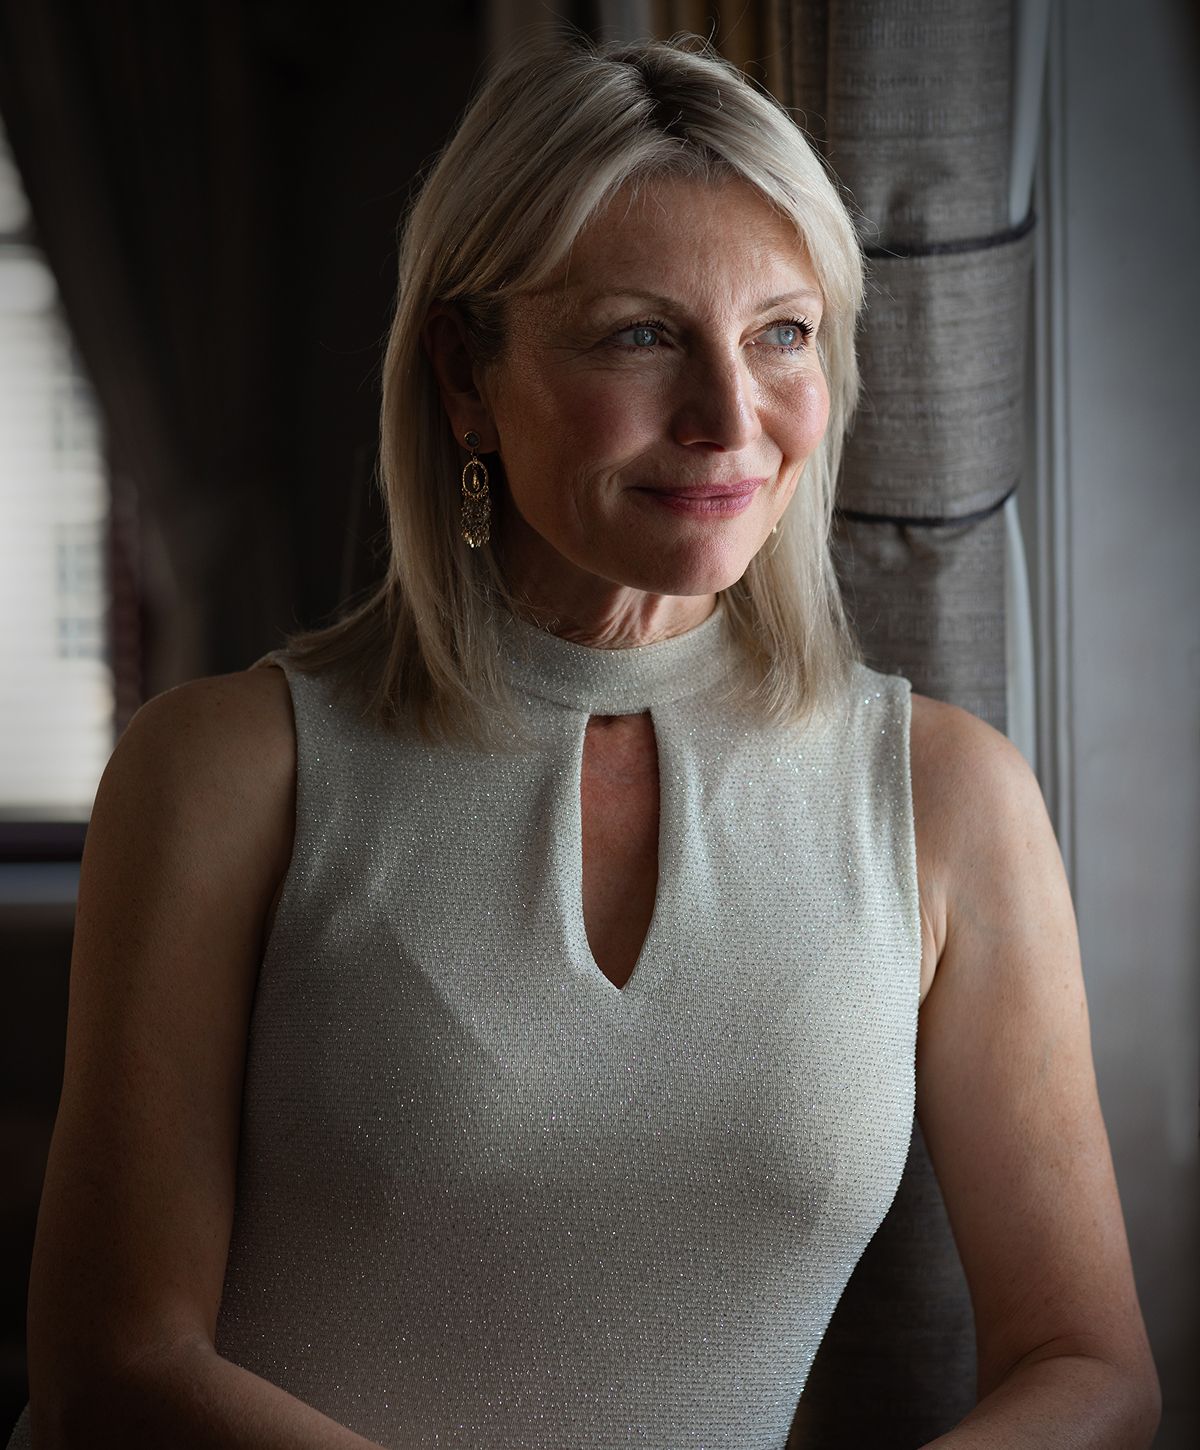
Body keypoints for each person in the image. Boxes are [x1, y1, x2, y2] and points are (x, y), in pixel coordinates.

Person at [10, 34, 1159, 1450]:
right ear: (465, 376)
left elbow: (1090, 1364)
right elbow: (111, 1362)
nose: (732, 421)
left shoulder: (949, 797)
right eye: (642, 333)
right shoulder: (226, 772)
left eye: (781, 333)